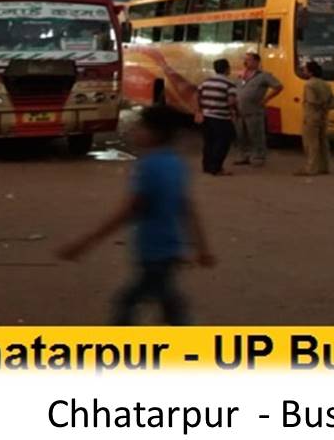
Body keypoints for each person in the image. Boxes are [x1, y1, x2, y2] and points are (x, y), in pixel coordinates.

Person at [57, 105, 215, 325]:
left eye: (141, 127)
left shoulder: (149, 167)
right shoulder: (176, 164)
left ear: (155, 134)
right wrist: (202, 248)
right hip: (169, 249)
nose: (134, 131)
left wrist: (84, 243)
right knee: (167, 305)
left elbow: (129, 211)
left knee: (131, 303)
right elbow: (187, 208)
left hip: (154, 252)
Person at [232, 52, 282, 167]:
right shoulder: (241, 75)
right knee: (240, 135)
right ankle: (243, 155)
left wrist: (266, 99)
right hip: (239, 110)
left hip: (254, 110)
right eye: (245, 60)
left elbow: (278, 87)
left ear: (256, 62)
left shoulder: (264, 76)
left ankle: (258, 157)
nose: (246, 62)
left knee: (255, 135)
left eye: (249, 60)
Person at [196, 59, 239, 176]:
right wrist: (235, 112)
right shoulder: (229, 84)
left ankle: (206, 166)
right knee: (222, 143)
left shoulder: (205, 82)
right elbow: (231, 102)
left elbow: (198, 96)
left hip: (206, 116)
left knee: (208, 142)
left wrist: (199, 111)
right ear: (227, 69)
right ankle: (216, 168)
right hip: (221, 118)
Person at [299, 60, 334, 177]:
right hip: (324, 116)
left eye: (305, 70)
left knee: (311, 143)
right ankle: (325, 167)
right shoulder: (326, 84)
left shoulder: (309, 84)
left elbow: (311, 100)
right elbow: (332, 103)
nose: (303, 71)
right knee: (323, 142)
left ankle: (311, 168)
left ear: (310, 72)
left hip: (311, 116)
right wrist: (324, 107)